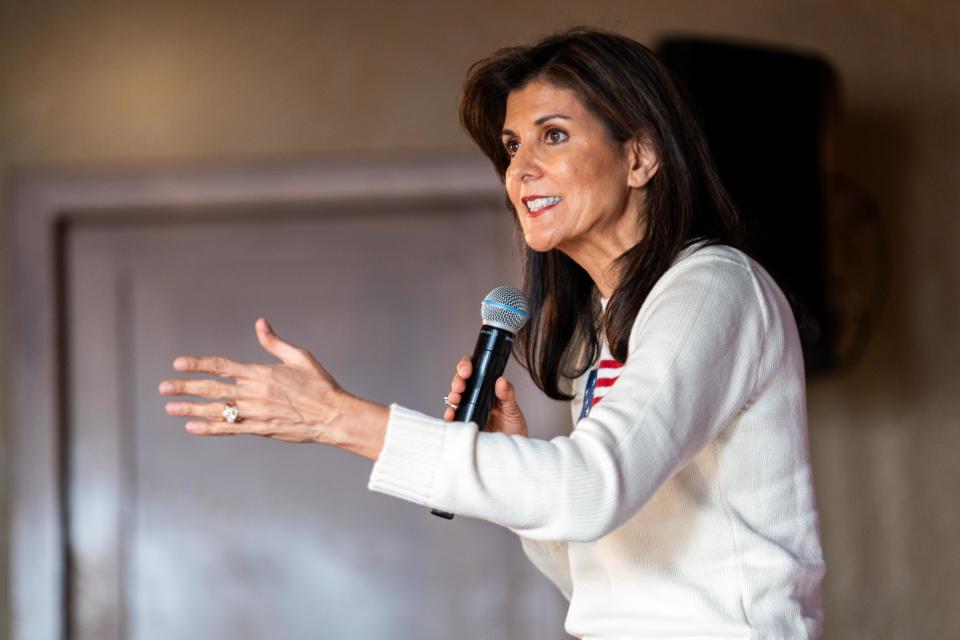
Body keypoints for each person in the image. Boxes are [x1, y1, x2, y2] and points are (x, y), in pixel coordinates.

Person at [159, 27, 825, 639]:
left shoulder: (712, 287)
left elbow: (591, 490)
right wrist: (519, 463)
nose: (520, 168)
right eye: (512, 146)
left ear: (641, 156)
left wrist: (337, 419)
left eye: (554, 135)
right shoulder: (607, 326)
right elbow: (593, 570)